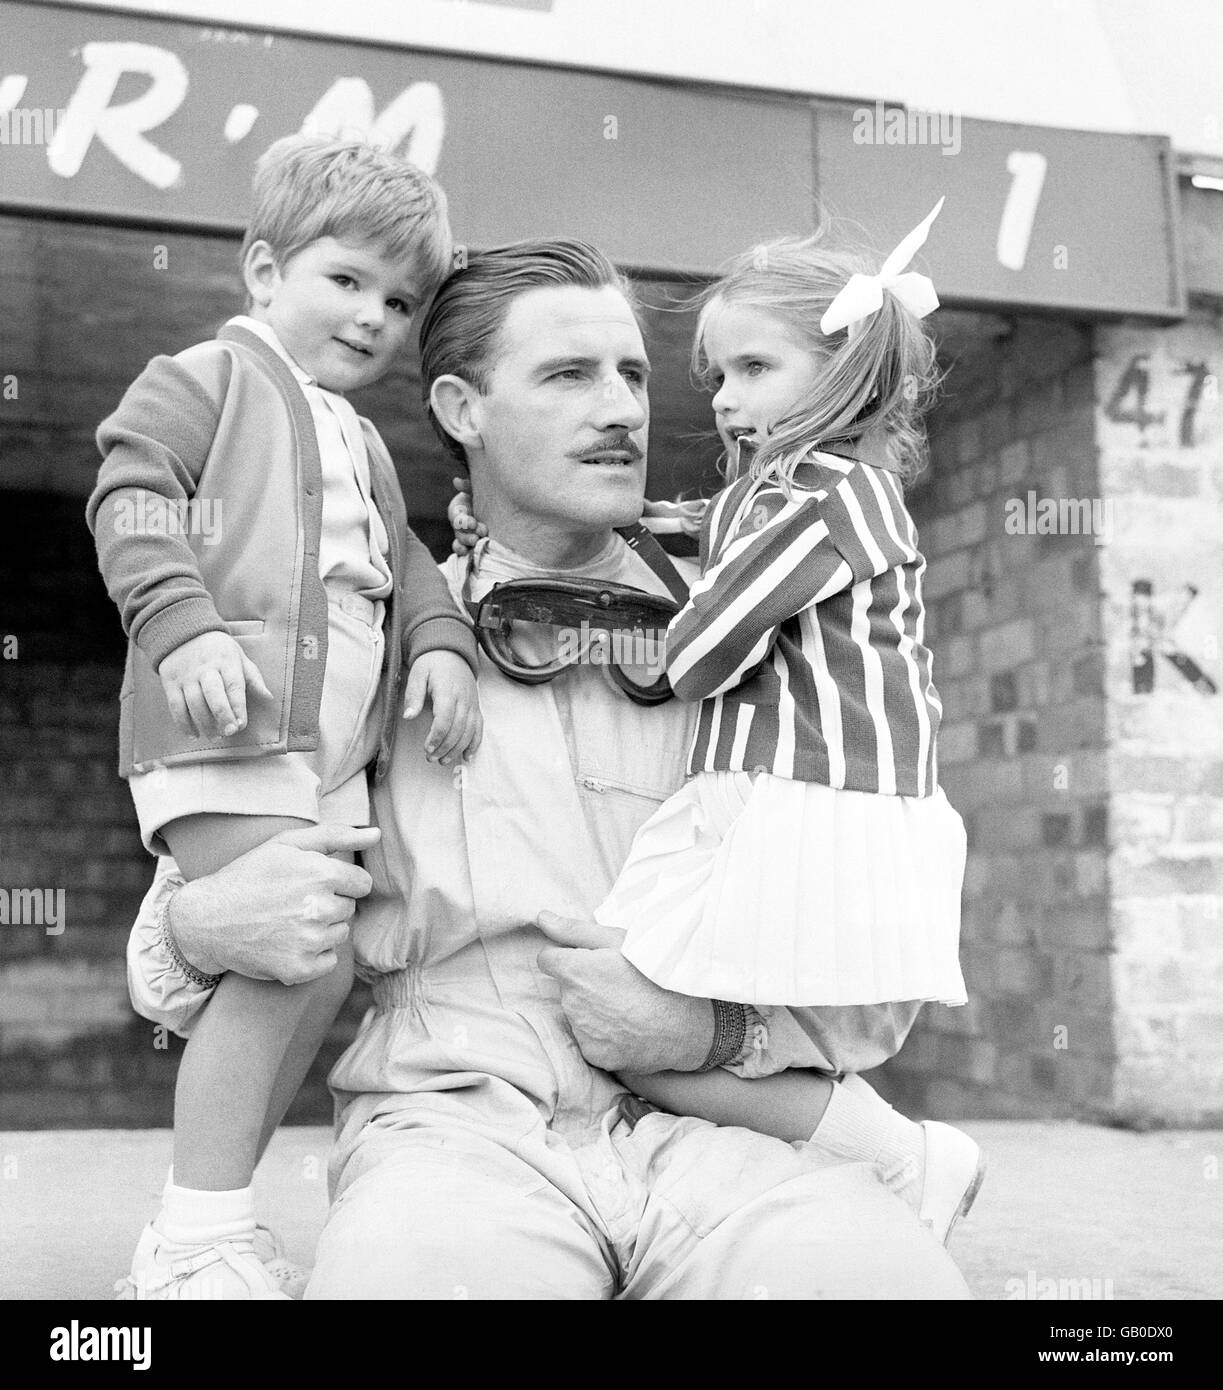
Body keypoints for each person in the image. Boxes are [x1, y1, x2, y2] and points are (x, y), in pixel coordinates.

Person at [126, 237, 973, 1299]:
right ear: (460, 406)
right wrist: (198, 925)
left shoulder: (782, 608)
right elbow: (207, 898)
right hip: (451, 1128)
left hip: (726, 1136)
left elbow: (876, 937)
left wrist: (715, 1032)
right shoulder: (353, 623)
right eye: (568, 375)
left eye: (632, 374)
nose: (621, 407)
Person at [449, 207, 985, 1233]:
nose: (726, 401)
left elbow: (700, 651)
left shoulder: (829, 500)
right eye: (715, 378)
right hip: (768, 788)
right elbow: (713, 528)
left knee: (663, 1022)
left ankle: (902, 1157)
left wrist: (651, 605)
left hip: (808, 795)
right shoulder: (774, 494)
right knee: (647, 1016)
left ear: (843, 379)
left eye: (752, 369)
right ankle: (889, 1157)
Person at [86, 134, 482, 1301]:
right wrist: (183, 624)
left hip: (325, 759)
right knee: (282, 951)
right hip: (224, 725)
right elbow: (129, 489)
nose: (373, 316)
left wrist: (446, 644)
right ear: (265, 273)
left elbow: (405, 562)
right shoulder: (207, 375)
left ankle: (209, 1218)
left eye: (398, 300)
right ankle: (191, 1233)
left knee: (312, 971)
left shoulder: (360, 440)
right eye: (344, 280)